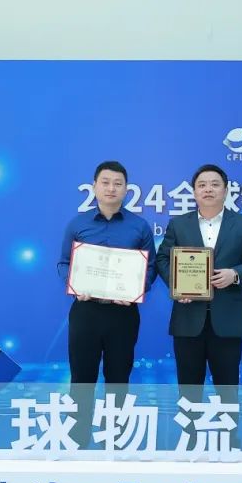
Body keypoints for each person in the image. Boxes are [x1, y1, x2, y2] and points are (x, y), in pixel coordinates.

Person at [156, 164, 242, 448]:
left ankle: (230, 439)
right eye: (202, 185)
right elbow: (162, 259)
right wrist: (177, 285)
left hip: (228, 318)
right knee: (188, 384)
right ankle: (189, 439)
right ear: (194, 191)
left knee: (227, 385)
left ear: (226, 190)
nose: (208, 189)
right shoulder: (178, 224)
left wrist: (235, 274)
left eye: (215, 184)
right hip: (187, 317)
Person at [58, 160, 156, 447]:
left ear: (126, 189)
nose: (111, 188)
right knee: (82, 377)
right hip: (86, 312)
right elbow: (63, 263)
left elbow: (150, 268)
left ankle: (115, 441)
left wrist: (136, 289)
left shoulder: (139, 226)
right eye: (105, 182)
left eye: (117, 183)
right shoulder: (77, 224)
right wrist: (74, 285)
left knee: (118, 377)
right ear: (94, 186)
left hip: (123, 314)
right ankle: (77, 441)